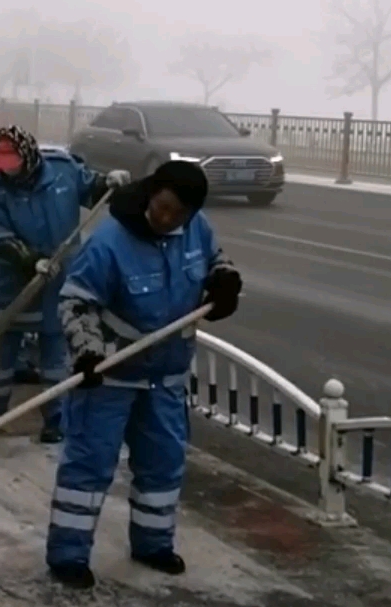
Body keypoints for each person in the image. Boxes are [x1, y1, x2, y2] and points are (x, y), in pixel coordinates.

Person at [44, 160, 242, 589]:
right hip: (110, 375)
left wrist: (224, 280)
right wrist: (87, 352)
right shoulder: (110, 243)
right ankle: (68, 555)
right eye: (162, 207)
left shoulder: (197, 229)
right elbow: (76, 303)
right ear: (151, 194)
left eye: (177, 213)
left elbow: (213, 260)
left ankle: (154, 543)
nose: (166, 218)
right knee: (89, 467)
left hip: (165, 379)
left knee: (163, 466)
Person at [0, 125, 129, 444]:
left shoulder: (63, 171)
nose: (8, 174)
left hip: (60, 280)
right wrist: (28, 259)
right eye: (2, 167)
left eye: (13, 166)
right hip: (12, 281)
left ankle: (57, 418)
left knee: (54, 355)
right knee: (2, 352)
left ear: (29, 156)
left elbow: (91, 189)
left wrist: (109, 182)